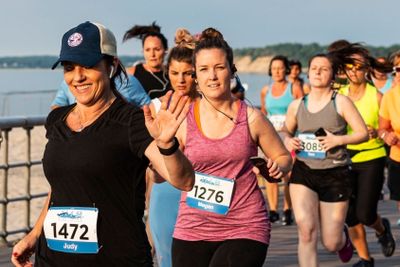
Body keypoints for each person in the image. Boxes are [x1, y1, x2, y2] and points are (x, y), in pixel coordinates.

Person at [10, 21, 194, 267]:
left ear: (112, 66)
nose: (77, 77)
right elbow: (61, 187)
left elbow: (184, 180)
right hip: (53, 259)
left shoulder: (131, 121)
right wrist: (34, 235)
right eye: (69, 67)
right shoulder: (57, 120)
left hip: (116, 258)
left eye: (88, 65)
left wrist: (166, 143)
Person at [171, 28, 292, 267]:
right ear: (195, 75)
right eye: (204, 69)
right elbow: (168, 175)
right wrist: (163, 147)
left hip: (245, 224)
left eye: (219, 67)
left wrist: (277, 166)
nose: (212, 76)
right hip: (193, 226)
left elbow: (283, 156)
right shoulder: (183, 118)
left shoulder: (251, 117)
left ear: (231, 70)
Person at [282, 52, 369, 267]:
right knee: (306, 231)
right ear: (308, 72)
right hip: (304, 172)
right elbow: (285, 130)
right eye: (314, 68)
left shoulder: (340, 102)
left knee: (331, 243)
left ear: (332, 76)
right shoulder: (297, 104)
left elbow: (362, 133)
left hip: (335, 173)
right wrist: (287, 140)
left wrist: (337, 140)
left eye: (324, 68)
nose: (318, 72)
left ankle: (343, 239)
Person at [338, 44, 395, 266]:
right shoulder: (339, 96)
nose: (354, 71)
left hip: (371, 156)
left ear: (367, 70)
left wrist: (376, 133)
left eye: (359, 67)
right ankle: (365, 259)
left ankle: (382, 228)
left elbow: (385, 130)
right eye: (349, 66)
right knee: (350, 214)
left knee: (365, 213)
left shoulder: (378, 97)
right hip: (344, 158)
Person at [147, 28, 199, 267]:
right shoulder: (156, 108)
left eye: (187, 74)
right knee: (167, 259)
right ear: (168, 72)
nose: (180, 80)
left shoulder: (208, 107)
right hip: (164, 189)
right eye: (175, 73)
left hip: (199, 192)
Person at [260, 55, 303, 225]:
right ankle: (272, 210)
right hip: (271, 137)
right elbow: (263, 113)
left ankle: (287, 209)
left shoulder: (294, 88)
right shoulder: (265, 90)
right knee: (270, 174)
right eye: (274, 68)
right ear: (270, 70)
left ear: (286, 69)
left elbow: (302, 110)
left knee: (288, 175)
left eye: (280, 68)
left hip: (289, 137)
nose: (277, 71)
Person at [123, 22, 170, 99]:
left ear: (165, 50)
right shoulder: (131, 74)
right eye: (147, 50)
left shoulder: (173, 74)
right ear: (143, 52)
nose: (152, 54)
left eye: (157, 49)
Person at [51, 74, 151, 109]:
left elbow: (148, 107)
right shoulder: (69, 82)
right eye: (69, 67)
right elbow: (57, 106)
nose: (79, 78)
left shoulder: (127, 80)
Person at [379, 63, 400, 228]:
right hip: (397, 155)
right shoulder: (390, 97)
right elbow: (383, 128)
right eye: (398, 69)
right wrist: (387, 136)